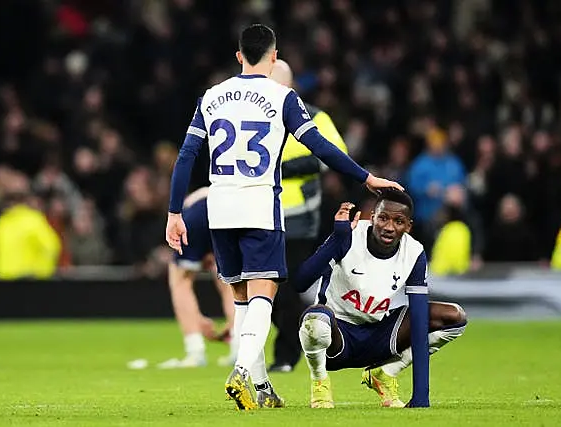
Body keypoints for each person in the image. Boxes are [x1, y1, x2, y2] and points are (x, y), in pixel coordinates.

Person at [165, 24, 402, 411]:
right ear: (274, 57)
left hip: (219, 207)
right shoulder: (282, 97)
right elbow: (320, 146)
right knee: (265, 292)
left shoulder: (211, 97)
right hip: (259, 204)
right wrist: (366, 177)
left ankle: (260, 386)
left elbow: (186, 156)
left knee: (242, 298)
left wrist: (175, 212)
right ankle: (242, 371)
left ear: (239, 56)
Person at [294, 190, 467, 408]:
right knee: (315, 320)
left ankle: (385, 373)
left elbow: (419, 317)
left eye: (398, 221)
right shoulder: (350, 235)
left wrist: (420, 396)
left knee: (454, 317)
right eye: (383, 218)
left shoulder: (413, 252)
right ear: (372, 216)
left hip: (378, 336)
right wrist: (337, 240)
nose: (389, 227)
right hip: (336, 338)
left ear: (408, 226)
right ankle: (320, 384)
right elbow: (300, 282)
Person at [267, 59, 348, 373]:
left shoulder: (313, 117)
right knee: (263, 290)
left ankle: (285, 356)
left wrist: (283, 169)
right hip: (260, 213)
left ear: (289, 85)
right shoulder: (257, 118)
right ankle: (306, 332)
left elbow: (333, 156)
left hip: (298, 217)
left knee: (285, 288)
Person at [157, 186, 236, 369]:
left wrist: (196, 317)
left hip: (198, 213)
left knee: (180, 280)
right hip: (229, 212)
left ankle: (195, 351)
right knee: (229, 280)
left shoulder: (188, 203)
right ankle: (238, 346)